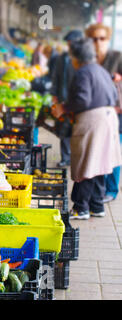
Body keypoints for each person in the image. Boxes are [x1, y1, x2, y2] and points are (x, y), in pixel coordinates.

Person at [51, 38, 122, 220]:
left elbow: (83, 100)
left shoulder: (83, 72)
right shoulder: (101, 70)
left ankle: (81, 207)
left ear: (75, 57)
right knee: (99, 164)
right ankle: (97, 206)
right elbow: (114, 95)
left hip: (93, 121)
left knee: (85, 163)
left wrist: (63, 108)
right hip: (108, 119)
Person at [86, 23, 122, 203]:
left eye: (102, 38)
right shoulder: (88, 59)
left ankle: (111, 190)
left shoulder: (117, 57)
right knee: (97, 151)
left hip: (115, 113)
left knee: (113, 151)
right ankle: (96, 191)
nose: (98, 42)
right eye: (94, 39)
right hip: (94, 113)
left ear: (108, 39)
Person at [50, 30, 84, 168]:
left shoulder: (83, 59)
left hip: (75, 100)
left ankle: (77, 157)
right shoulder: (61, 58)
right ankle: (65, 157)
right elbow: (56, 77)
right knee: (63, 129)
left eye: (72, 43)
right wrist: (54, 94)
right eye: (69, 43)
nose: (69, 46)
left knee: (76, 131)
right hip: (62, 99)